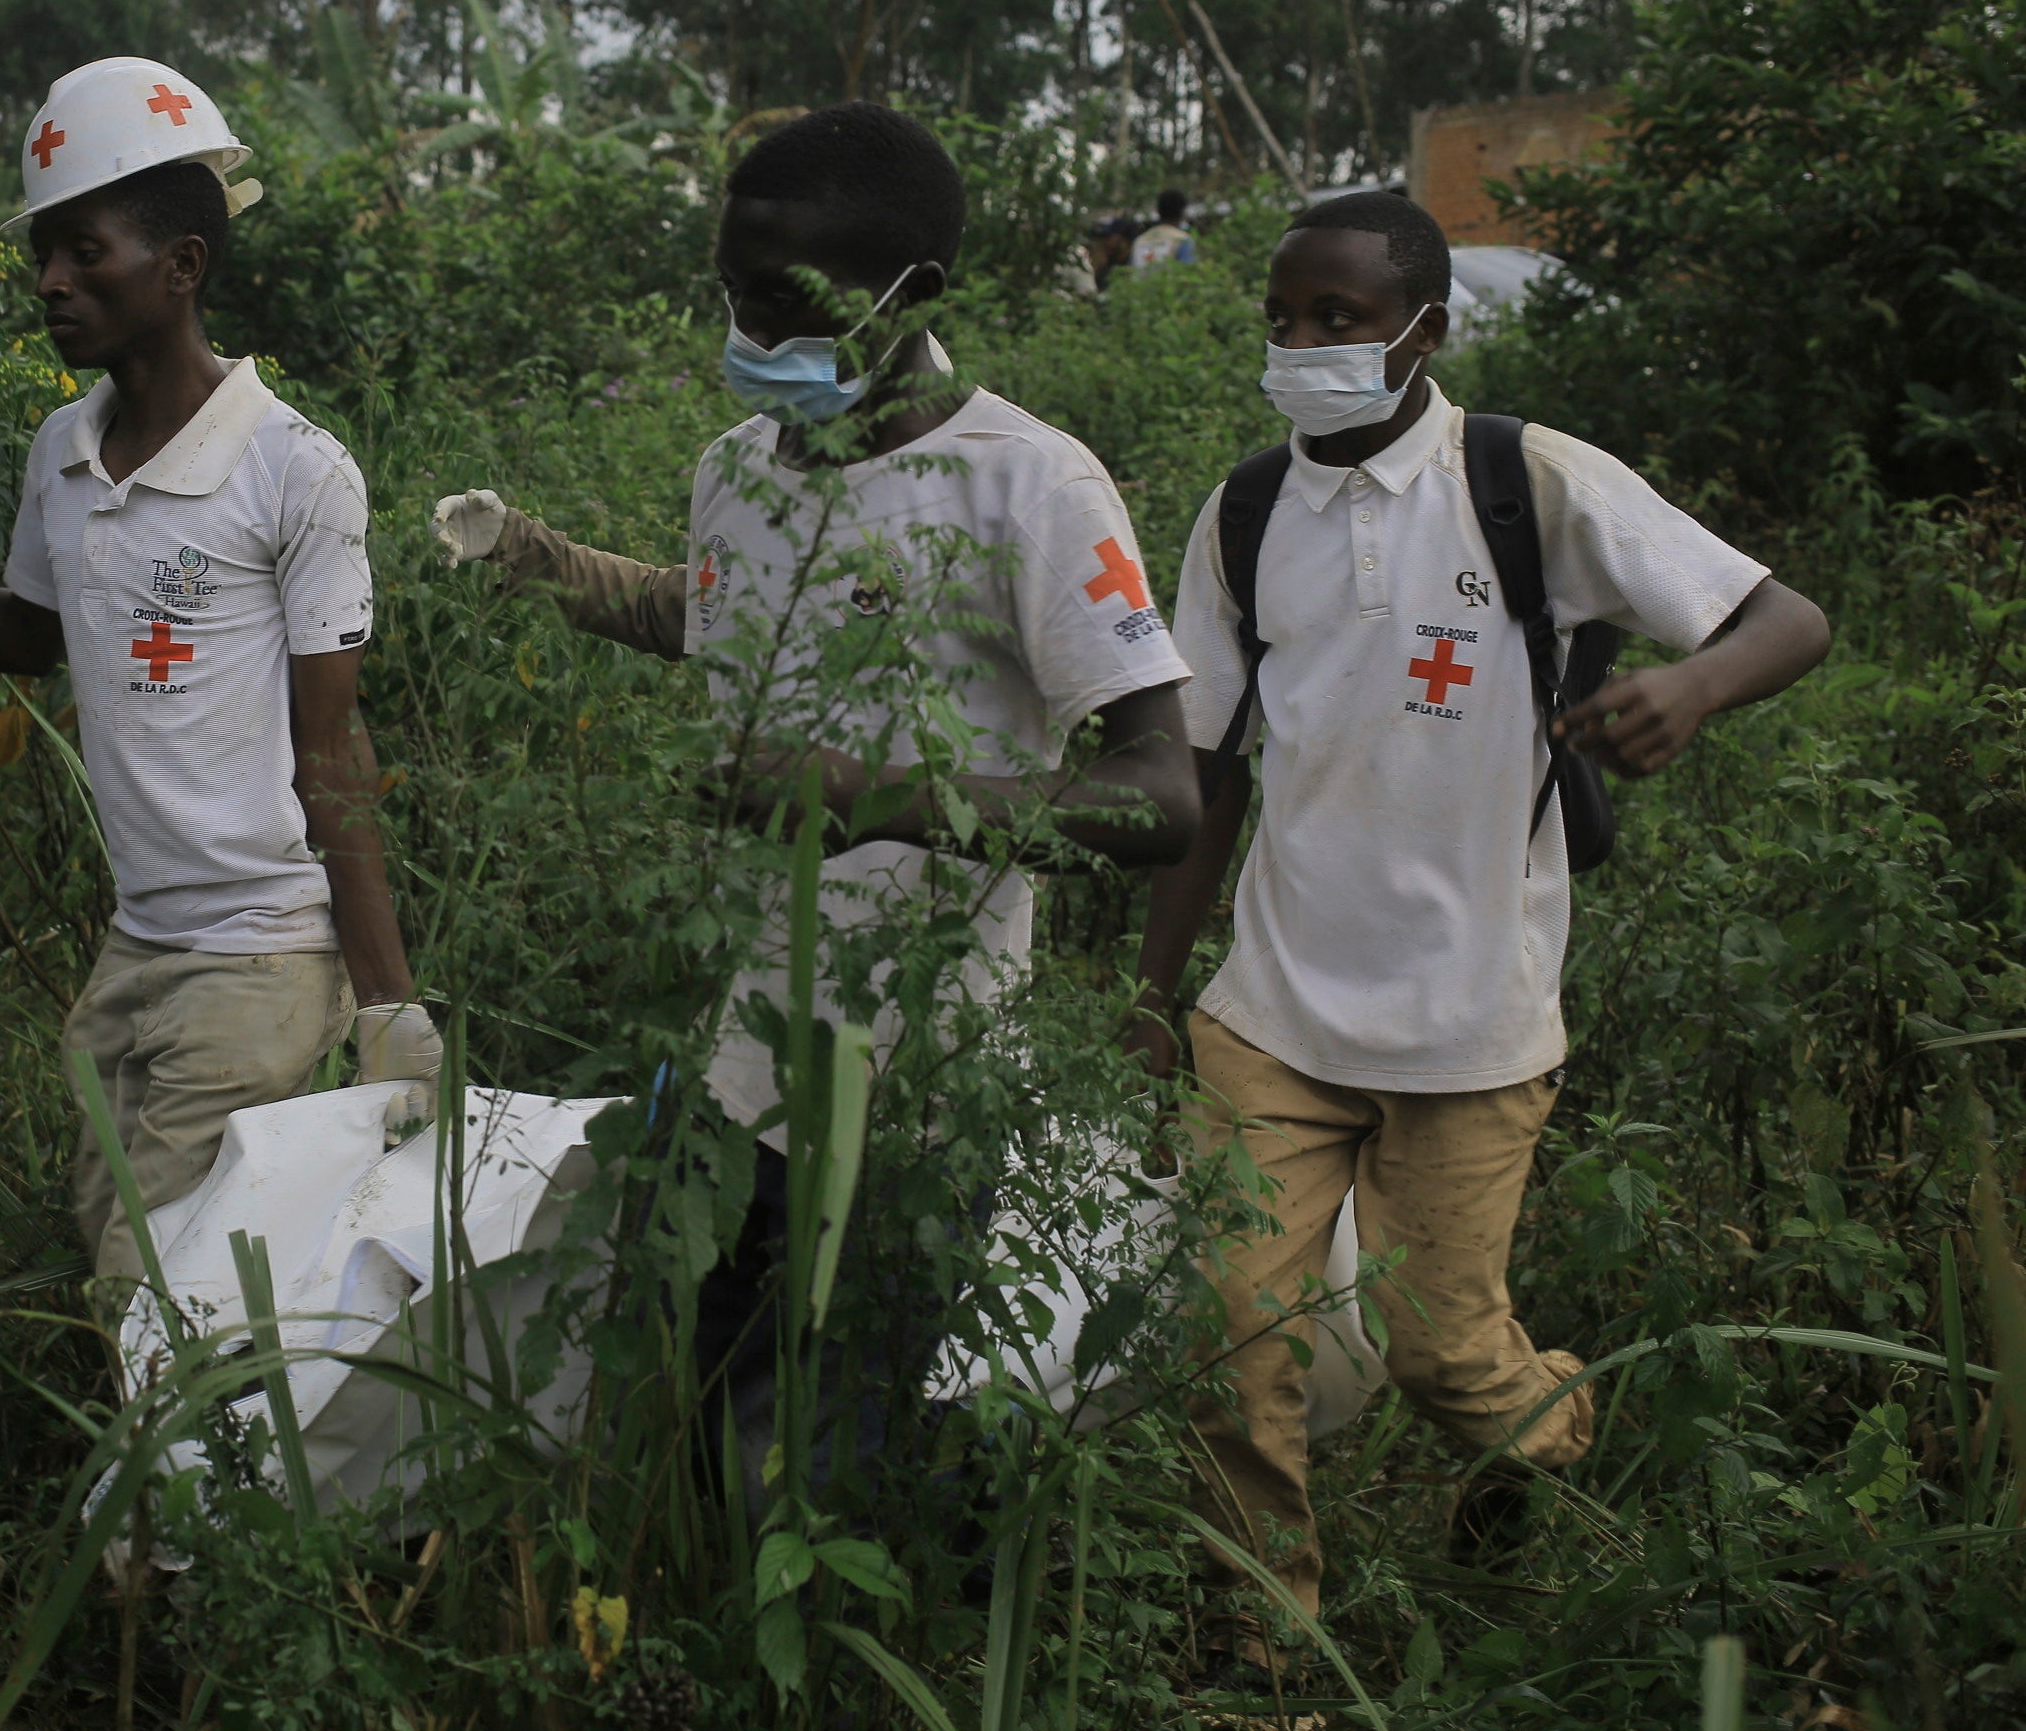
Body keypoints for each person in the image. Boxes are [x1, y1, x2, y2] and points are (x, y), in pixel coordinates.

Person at [433, 101, 1202, 1502]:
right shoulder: (734, 471)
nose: (753, 334)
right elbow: (716, 617)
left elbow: (1163, 797)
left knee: (840, 1453)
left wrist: (882, 799)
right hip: (729, 1052)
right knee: (686, 1386)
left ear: (919, 294)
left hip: (915, 1078)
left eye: (792, 305)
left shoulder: (1028, 487)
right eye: (734, 295)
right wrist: (539, 561)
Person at [1128, 189, 1830, 1691]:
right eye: (1285, 319)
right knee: (1226, 1335)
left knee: (1447, 1355)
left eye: (1343, 321)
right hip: (1271, 1010)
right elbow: (1208, 766)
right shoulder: (1248, 513)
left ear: (1425, 333)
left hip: (1471, 1020)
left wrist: (1691, 692)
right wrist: (1150, 985)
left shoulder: (1530, 484)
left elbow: (1789, 620)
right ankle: (1270, 1635)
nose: (1305, 346)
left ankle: (1549, 1423)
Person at [0, 57, 443, 1305]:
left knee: (149, 1293)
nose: (52, 282)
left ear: (181, 269)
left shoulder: (294, 471)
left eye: (85, 252)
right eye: (43, 254)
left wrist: (389, 1005)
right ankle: (247, 1475)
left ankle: (193, 1498)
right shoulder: (65, 449)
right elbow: (28, 628)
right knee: (139, 1253)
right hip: (140, 947)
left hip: (262, 956)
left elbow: (336, 750)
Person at [1129, 188, 1197, 271]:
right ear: (1182, 212)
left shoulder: (1139, 241)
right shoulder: (1183, 240)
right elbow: (1188, 276)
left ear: (1158, 211)